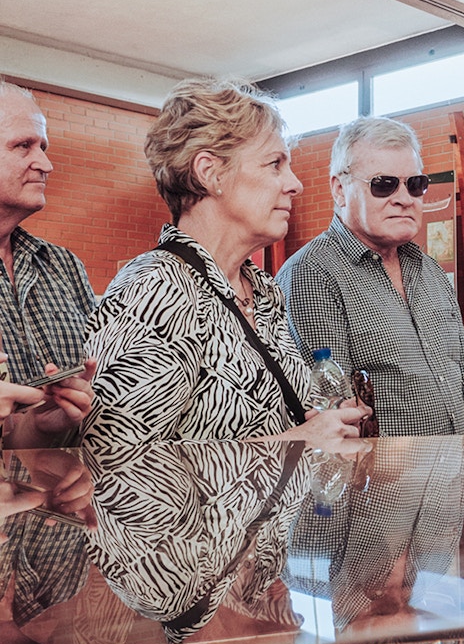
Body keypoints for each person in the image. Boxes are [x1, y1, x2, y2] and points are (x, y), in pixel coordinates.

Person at [81, 76, 365, 449]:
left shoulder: (262, 291)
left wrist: (322, 420)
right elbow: (116, 465)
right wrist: (298, 442)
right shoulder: (155, 291)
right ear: (210, 172)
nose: (295, 184)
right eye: (274, 164)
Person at [276, 116, 464, 436]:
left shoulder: (429, 270)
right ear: (340, 190)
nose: (405, 199)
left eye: (415, 184)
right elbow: (336, 415)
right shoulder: (312, 274)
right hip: (385, 484)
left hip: (463, 479)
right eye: (384, 184)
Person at [0, 82, 96, 449]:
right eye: (24, 145)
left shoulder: (63, 266)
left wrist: (43, 425)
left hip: (56, 496)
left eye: (43, 146)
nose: (46, 164)